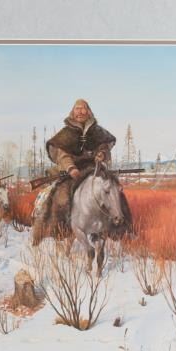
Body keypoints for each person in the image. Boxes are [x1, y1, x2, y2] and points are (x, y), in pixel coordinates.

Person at [33, 98, 130, 243]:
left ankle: (120, 231)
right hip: (73, 171)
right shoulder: (66, 133)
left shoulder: (97, 131)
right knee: (62, 198)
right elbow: (61, 154)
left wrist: (101, 154)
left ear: (88, 112)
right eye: (77, 108)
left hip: (94, 169)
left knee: (115, 192)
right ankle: (60, 232)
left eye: (83, 108)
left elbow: (104, 146)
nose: (80, 112)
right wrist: (70, 167)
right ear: (73, 112)